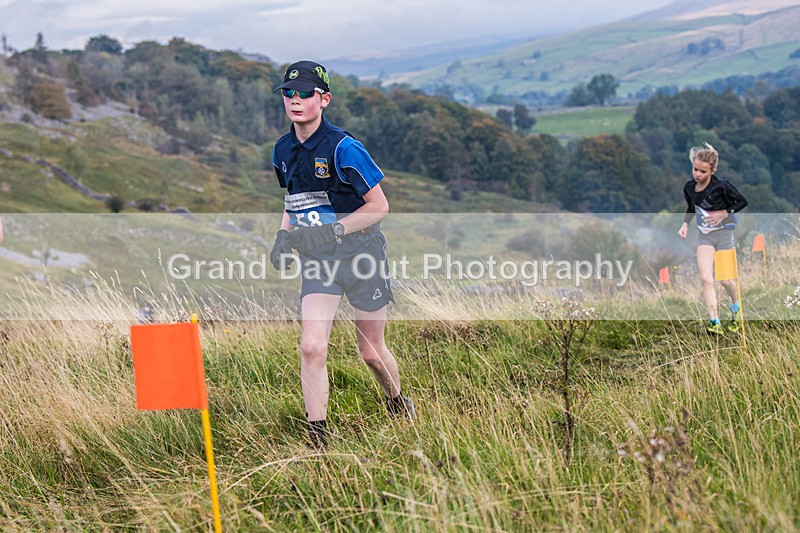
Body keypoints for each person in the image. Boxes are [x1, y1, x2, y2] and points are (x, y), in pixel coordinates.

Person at [269, 61, 414, 448]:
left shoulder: (345, 147)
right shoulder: (282, 150)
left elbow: (380, 206)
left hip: (363, 254)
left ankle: (398, 402)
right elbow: (293, 197)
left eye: (305, 94)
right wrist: (283, 235)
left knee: (370, 352)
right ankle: (317, 439)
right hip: (319, 260)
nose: (295, 101)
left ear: (324, 99)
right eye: (288, 93)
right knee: (312, 345)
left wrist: (334, 229)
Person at [677, 143, 748, 335]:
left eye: (702, 171)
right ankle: (714, 321)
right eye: (695, 169)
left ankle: (735, 307)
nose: (697, 174)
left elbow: (742, 201)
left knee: (725, 280)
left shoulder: (722, 186)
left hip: (724, 236)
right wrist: (685, 224)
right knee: (706, 279)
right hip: (705, 237)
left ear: (712, 170)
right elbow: (692, 207)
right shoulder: (689, 188)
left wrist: (724, 213)